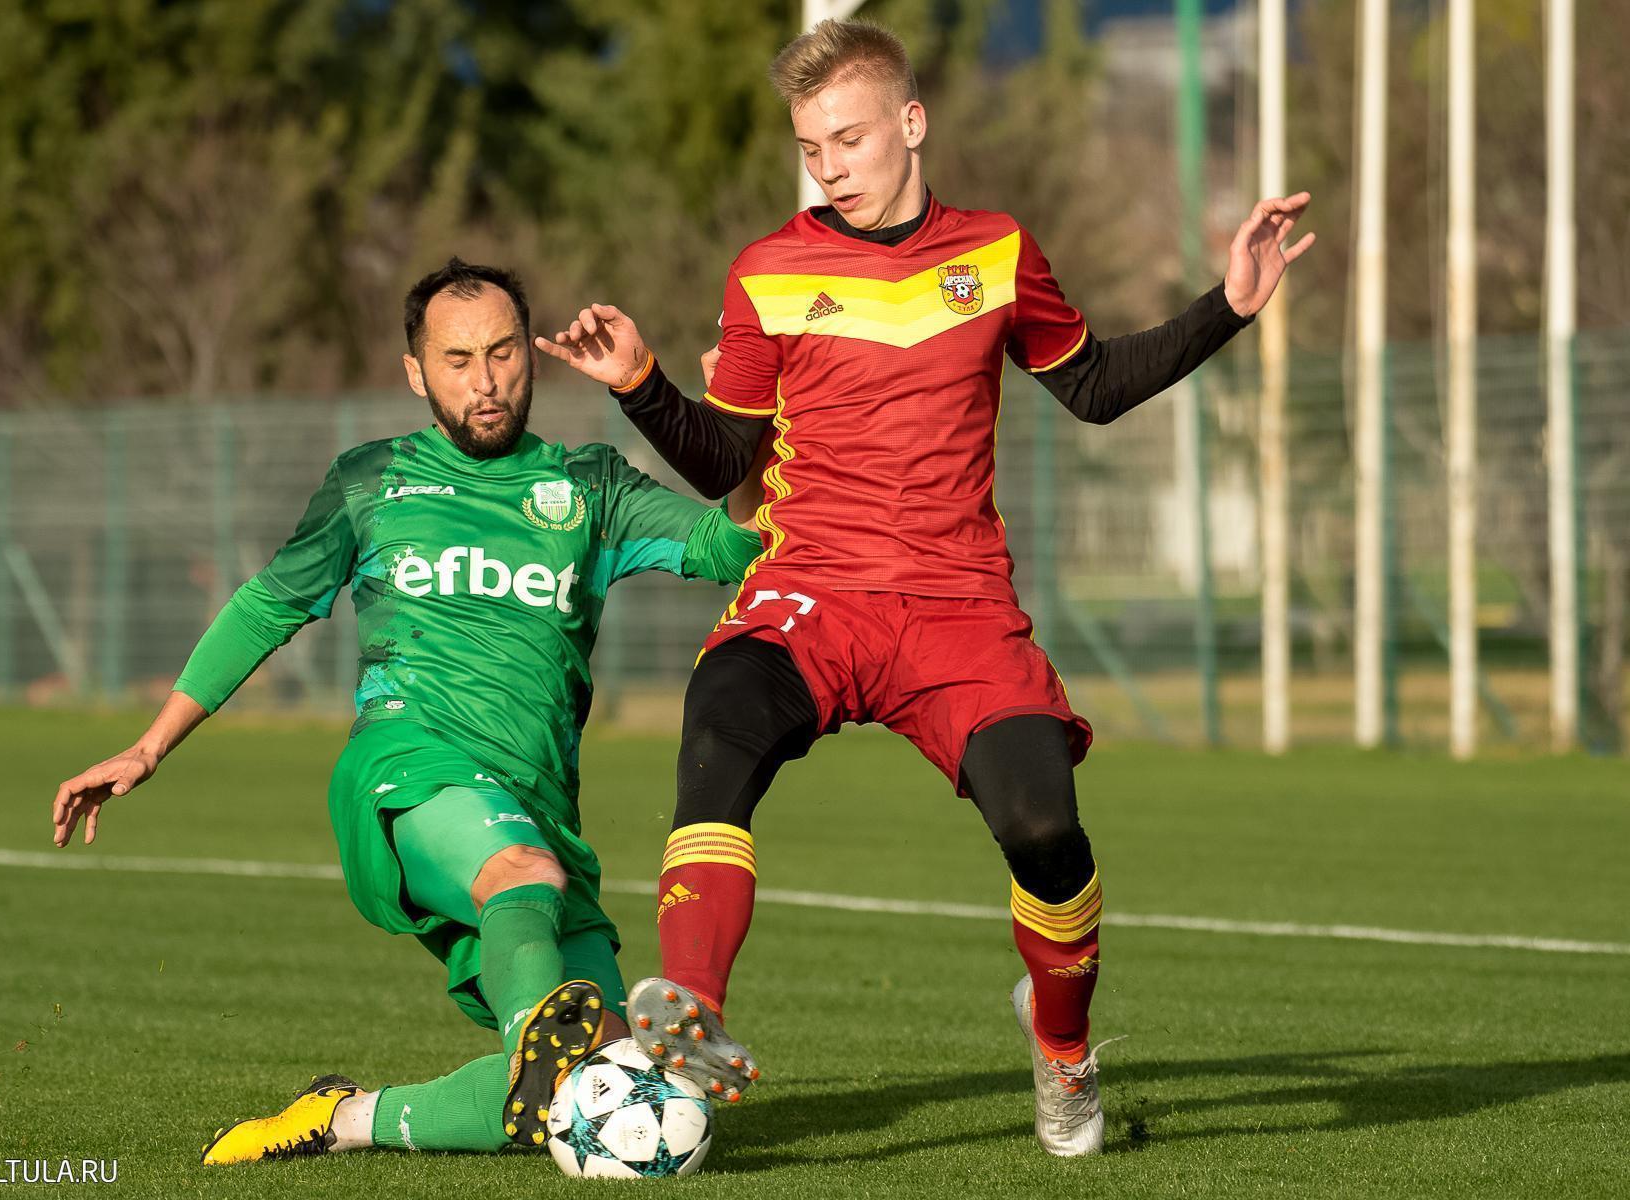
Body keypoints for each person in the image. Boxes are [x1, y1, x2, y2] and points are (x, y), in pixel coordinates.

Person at [536, 19, 1313, 1156]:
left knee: (1046, 830)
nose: (829, 166)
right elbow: (723, 461)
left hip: (958, 608)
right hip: (814, 588)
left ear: (912, 123)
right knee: (720, 718)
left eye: (848, 139)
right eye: (811, 148)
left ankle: (1063, 1050)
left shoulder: (996, 251)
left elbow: (1094, 387)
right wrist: (642, 383)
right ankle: (691, 1012)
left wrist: (1228, 306)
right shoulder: (768, 269)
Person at [50, 258, 761, 1163]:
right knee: (521, 877)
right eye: (457, 360)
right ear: (416, 373)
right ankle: (542, 1043)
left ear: (532, 356)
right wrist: (149, 747)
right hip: (409, 767)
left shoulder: (590, 485)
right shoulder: (372, 481)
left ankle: (344, 1117)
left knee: (590, 1083)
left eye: (502, 352)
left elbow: (736, 547)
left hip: (538, 803)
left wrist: (746, 426)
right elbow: (267, 607)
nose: (484, 380)